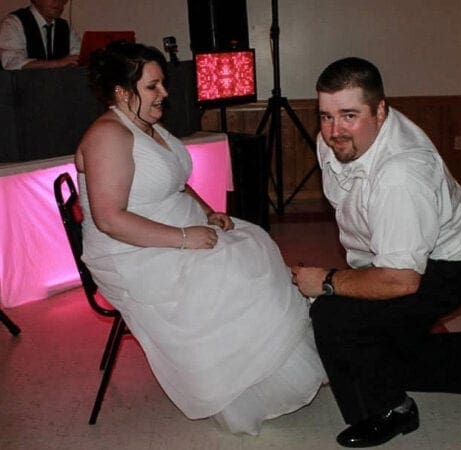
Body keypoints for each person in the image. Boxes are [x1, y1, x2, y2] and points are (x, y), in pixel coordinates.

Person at [74, 40, 325, 435]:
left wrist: (207, 211)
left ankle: (267, 365)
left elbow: (174, 180)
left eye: (162, 84)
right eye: (153, 87)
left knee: (255, 243)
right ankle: (239, 380)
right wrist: (183, 238)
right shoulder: (110, 136)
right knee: (228, 273)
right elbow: (109, 219)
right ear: (123, 92)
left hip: (175, 225)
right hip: (128, 251)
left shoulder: (146, 125)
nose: (165, 94)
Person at [292, 57, 461, 448]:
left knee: (335, 318)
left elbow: (401, 280)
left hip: (453, 266)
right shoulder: (336, 140)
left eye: (349, 115)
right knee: (384, 345)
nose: (334, 131)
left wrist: (328, 282)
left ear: (381, 110)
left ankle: (390, 410)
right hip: (403, 255)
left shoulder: (401, 176)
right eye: (326, 116)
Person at [0, 0, 80, 70]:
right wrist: (58, 63)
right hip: (23, 86)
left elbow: (78, 55)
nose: (59, 1)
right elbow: (12, 62)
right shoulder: (14, 22)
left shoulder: (65, 27)